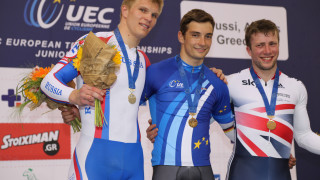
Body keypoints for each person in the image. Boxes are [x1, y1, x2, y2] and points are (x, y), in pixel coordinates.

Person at [40, 0, 164, 179]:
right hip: (94, 157)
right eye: (143, 10)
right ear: (125, 10)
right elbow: (49, 81)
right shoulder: (96, 42)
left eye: (154, 15)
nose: (148, 18)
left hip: (134, 160)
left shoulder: (144, 60)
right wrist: (74, 95)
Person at [141, 9, 235, 180]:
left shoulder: (217, 82)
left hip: (203, 169)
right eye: (195, 35)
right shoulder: (156, 72)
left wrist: (270, 151)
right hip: (166, 167)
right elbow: (127, 107)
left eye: (208, 36)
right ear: (181, 36)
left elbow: (232, 131)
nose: (202, 42)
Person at [225, 19, 320, 180]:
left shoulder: (295, 87)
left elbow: (304, 136)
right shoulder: (231, 83)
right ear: (248, 50)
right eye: (260, 45)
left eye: (272, 43)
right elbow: (207, 121)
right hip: (241, 174)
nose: (267, 51)